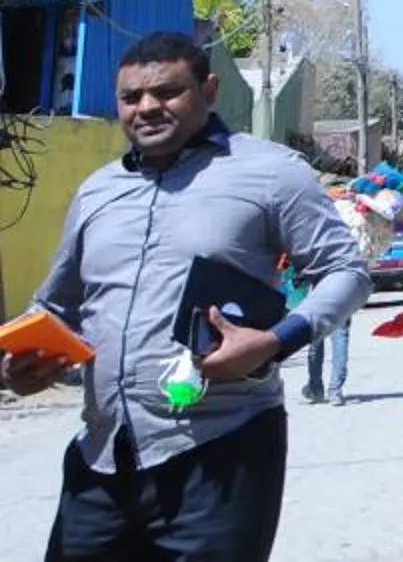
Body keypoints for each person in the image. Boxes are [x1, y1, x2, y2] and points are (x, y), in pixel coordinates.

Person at [1, 30, 370, 560]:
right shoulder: (97, 191)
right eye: (131, 98)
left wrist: (273, 341)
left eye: (168, 92)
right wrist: (17, 365)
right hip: (103, 456)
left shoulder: (270, 173)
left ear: (210, 89)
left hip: (222, 450)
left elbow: (345, 270)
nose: (148, 107)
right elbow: (56, 307)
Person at [299, 185, 387, 406]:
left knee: (316, 335)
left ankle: (316, 387)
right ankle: (334, 390)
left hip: (321, 278)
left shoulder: (323, 216)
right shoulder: (358, 218)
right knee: (340, 335)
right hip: (346, 281)